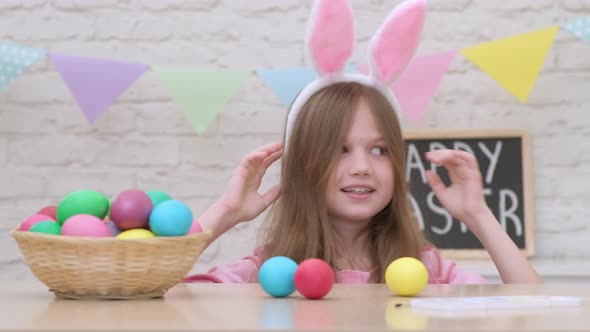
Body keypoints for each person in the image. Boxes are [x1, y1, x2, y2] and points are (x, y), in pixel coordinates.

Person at [184, 0, 541, 284]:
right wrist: (225, 214)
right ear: (303, 164)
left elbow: (536, 311)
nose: (361, 167)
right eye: (340, 149)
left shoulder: (425, 269)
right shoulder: (269, 271)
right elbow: (143, 293)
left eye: (379, 150)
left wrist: (478, 216)